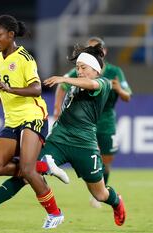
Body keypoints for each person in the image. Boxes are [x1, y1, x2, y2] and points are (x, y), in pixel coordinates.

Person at [0, 15, 64, 229]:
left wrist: (11, 89)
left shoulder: (24, 58)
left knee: (27, 170)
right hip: (12, 122)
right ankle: (43, 166)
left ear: (11, 35)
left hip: (33, 117)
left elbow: (37, 88)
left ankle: (55, 213)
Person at [53, 37, 132, 208]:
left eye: (95, 49)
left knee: (106, 160)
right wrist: (57, 108)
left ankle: (100, 192)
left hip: (105, 121)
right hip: (82, 123)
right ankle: (98, 192)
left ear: (104, 51)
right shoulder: (81, 69)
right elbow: (61, 86)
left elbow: (127, 96)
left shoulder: (113, 71)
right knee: (89, 156)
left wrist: (118, 89)